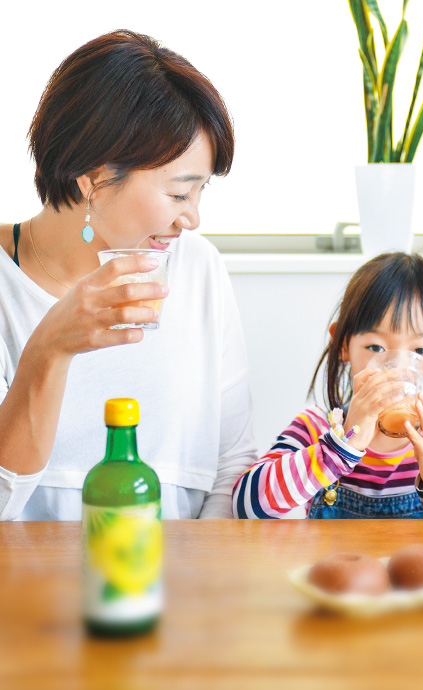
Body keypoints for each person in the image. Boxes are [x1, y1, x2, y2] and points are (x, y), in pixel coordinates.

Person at [0, 30, 256, 520]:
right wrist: (49, 350)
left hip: (180, 584)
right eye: (180, 194)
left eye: (201, 192)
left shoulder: (198, 268)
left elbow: (231, 467)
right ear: (94, 178)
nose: (193, 219)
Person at [233, 252, 423, 519]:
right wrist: (340, 447)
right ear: (343, 345)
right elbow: (245, 507)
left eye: (421, 350)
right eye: (375, 347)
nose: (400, 369)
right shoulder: (318, 427)